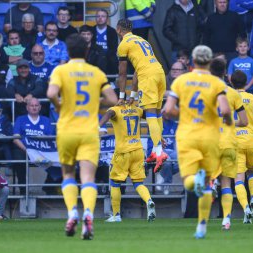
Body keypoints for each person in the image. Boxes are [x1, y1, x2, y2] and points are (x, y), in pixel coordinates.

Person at [47, 34, 117, 240]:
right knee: (88, 177)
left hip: (67, 129)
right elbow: (112, 99)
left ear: (67, 52)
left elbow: (51, 94)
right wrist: (95, 104)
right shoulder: (95, 72)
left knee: (68, 174)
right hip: (89, 130)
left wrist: (60, 108)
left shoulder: (61, 70)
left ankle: (72, 214)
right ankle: (88, 214)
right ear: (86, 51)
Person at [163, 45, 232, 239]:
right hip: (210, 135)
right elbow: (225, 111)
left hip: (187, 135)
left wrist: (184, 114)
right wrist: (227, 122)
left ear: (192, 60)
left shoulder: (181, 80)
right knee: (209, 182)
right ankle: (202, 225)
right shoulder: (217, 83)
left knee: (189, 181)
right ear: (210, 61)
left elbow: (168, 110)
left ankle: (197, 182)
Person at [116, 19, 168, 173]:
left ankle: (159, 152)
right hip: (159, 73)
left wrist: (122, 96)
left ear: (118, 30)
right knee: (157, 113)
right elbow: (137, 70)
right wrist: (132, 94)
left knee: (150, 114)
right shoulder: (141, 40)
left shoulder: (123, 45)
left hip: (148, 77)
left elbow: (122, 73)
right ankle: (154, 150)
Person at [99, 103, 156, 222]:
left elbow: (109, 114)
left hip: (123, 153)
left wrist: (98, 125)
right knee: (138, 183)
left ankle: (116, 215)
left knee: (114, 183)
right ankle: (149, 201)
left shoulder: (115, 109)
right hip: (138, 151)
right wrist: (158, 135)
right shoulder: (137, 110)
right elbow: (152, 117)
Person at [210, 59, 248, 230]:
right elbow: (244, 121)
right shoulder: (233, 94)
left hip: (211, 142)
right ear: (225, 73)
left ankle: (211, 183)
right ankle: (226, 219)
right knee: (227, 184)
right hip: (229, 143)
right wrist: (230, 122)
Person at [230, 70, 253, 224]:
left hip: (236, 142)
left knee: (239, 180)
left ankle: (246, 208)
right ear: (246, 81)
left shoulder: (228, 98)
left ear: (231, 81)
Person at [12, 98, 55, 195]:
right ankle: (23, 191)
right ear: (27, 107)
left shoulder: (46, 120)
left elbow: (50, 139)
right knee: (18, 160)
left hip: (42, 150)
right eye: (32, 105)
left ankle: (49, 187)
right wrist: (27, 149)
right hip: (24, 149)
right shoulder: (20, 119)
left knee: (57, 159)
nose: (34, 107)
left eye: (36, 105)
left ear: (40, 107)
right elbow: (15, 138)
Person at [91, 9, 118, 77]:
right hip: (94, 55)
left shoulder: (112, 31)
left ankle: (111, 80)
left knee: (112, 59)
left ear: (107, 18)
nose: (100, 18)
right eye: (98, 16)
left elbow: (114, 48)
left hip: (108, 56)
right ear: (95, 18)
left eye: (103, 16)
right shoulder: (91, 30)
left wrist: (104, 55)